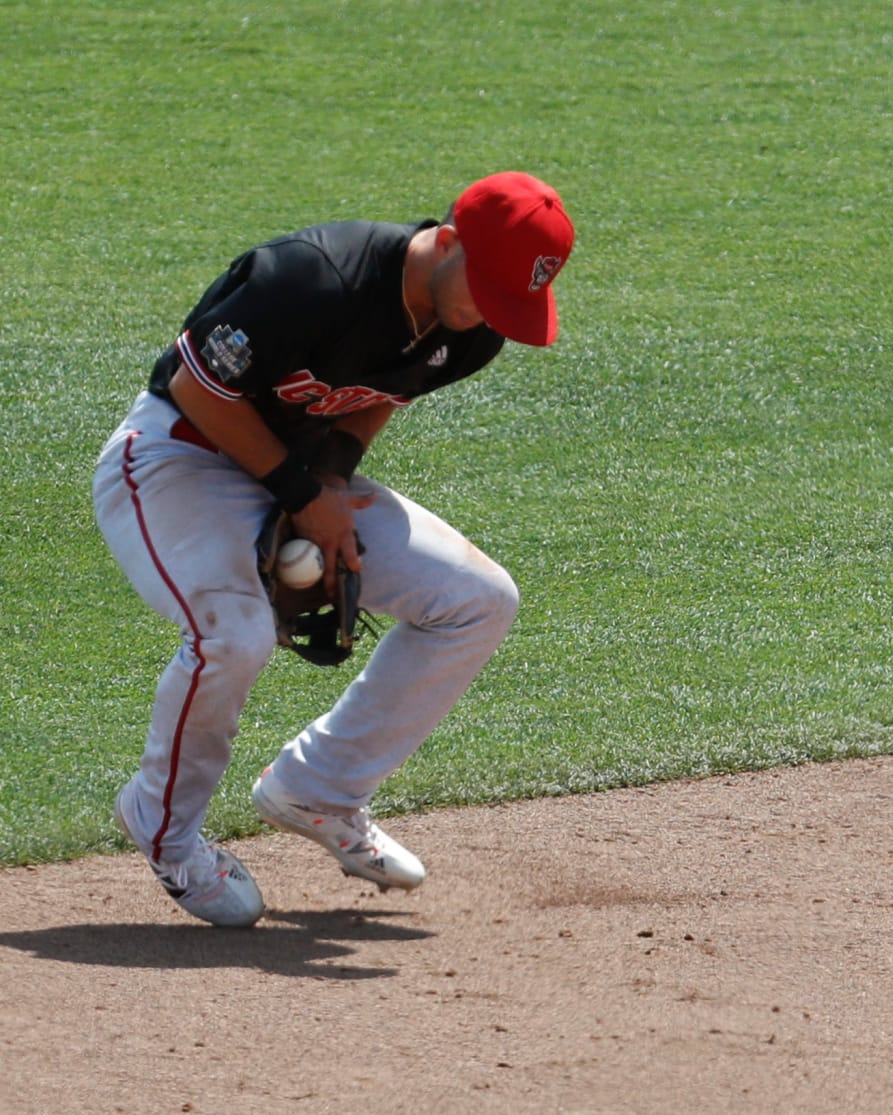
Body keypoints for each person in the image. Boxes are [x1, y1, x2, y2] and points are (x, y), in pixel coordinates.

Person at [93, 171, 575, 927]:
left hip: (296, 473)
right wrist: (301, 496)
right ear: (447, 243)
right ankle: (165, 828)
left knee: (478, 601)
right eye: (488, 286)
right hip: (174, 458)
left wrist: (330, 483)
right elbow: (197, 392)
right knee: (235, 637)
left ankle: (320, 788)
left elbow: (376, 394)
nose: (493, 314)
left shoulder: (474, 327)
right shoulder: (312, 278)